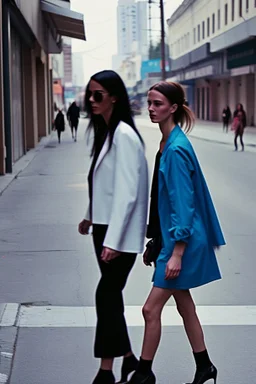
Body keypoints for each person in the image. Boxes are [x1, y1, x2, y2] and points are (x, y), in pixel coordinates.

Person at [127, 81, 225, 384]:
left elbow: (184, 204)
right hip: (170, 239)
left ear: (173, 107)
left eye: (158, 104)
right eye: (150, 103)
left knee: (149, 309)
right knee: (184, 305)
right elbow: (163, 202)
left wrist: (177, 253)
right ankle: (205, 366)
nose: (151, 109)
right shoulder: (168, 142)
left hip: (181, 242)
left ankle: (143, 373)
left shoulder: (176, 149)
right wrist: (156, 241)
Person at [78, 70, 149, 384]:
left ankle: (105, 372)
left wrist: (115, 241)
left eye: (98, 95)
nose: (91, 101)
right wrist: (90, 215)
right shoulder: (108, 133)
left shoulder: (124, 135)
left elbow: (127, 193)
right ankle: (129, 360)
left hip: (117, 233)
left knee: (105, 295)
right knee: (110, 296)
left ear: (115, 97)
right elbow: (103, 184)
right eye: (89, 95)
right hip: (103, 227)